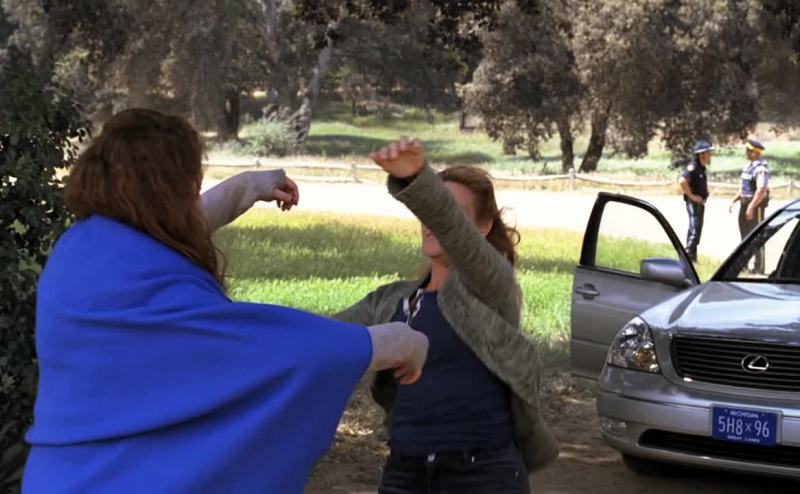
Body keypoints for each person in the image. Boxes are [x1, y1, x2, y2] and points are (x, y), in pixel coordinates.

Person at [23, 108, 429, 494]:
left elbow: (162, 230)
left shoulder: (83, 249)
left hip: (60, 475)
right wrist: (393, 342)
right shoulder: (143, 282)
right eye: (189, 184)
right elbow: (273, 353)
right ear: (170, 190)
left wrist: (246, 187)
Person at [204, 138, 559, 493]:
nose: (433, 222)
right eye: (431, 212)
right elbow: (315, 336)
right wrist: (218, 326)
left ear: (481, 228)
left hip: (483, 474)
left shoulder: (493, 288)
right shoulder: (393, 301)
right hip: (406, 471)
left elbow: (456, 234)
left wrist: (417, 179)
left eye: (450, 213)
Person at [728, 139, 770, 273]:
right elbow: (743, 188)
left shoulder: (760, 169)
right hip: (744, 204)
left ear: (756, 153)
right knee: (745, 236)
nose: (746, 152)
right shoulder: (748, 167)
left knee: (757, 236)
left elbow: (761, 190)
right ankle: (744, 265)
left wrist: (751, 207)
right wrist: (735, 200)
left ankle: (759, 267)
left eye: (749, 150)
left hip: (756, 207)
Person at [679, 140, 712, 262]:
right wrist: (692, 196)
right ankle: (687, 259)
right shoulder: (694, 167)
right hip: (694, 204)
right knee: (695, 231)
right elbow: (682, 180)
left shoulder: (701, 168)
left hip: (699, 204)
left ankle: (692, 258)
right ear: (701, 154)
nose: (710, 156)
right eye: (708, 153)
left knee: (695, 231)